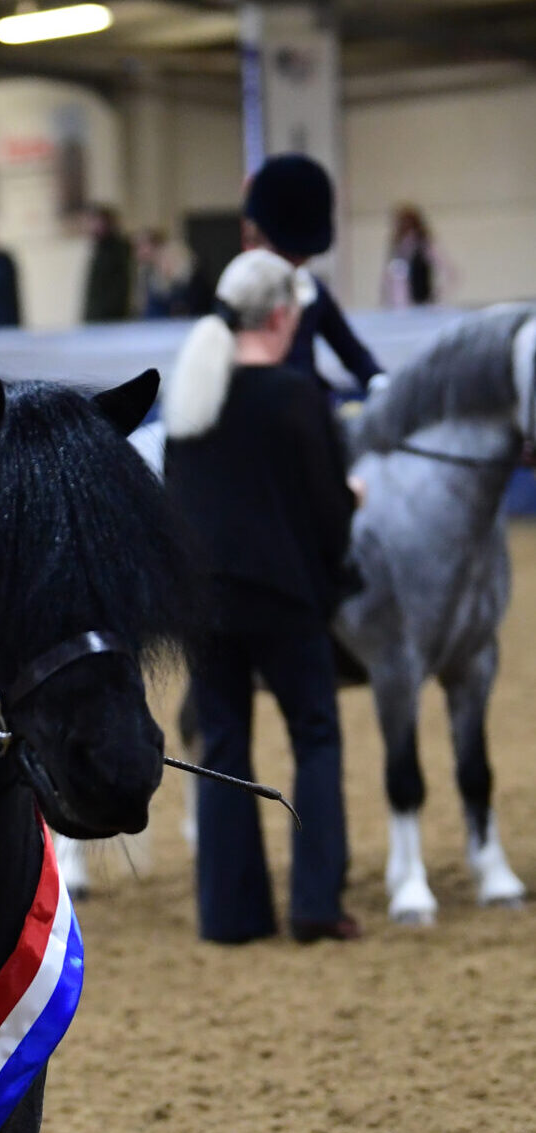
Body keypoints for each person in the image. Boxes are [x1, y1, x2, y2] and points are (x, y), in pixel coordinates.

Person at [164, 250, 362, 946]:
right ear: (281, 315)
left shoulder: (192, 398)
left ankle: (231, 913)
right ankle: (314, 903)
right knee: (314, 735)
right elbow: (327, 513)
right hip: (283, 598)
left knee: (223, 745)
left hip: (206, 601)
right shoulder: (296, 396)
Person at [243, 153, 383, 395]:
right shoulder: (243, 291)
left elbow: (353, 353)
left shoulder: (312, 290)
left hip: (305, 403)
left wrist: (380, 384)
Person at [381, 204, 453, 308]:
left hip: (421, 305)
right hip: (399, 307)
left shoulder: (424, 245)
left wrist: (437, 296)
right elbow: (388, 278)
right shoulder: (397, 247)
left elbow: (449, 272)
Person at [82, 205, 133, 323]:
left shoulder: (119, 249)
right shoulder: (98, 248)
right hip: (95, 317)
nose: (92, 226)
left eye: (96, 221)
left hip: (110, 319)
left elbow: (120, 288)